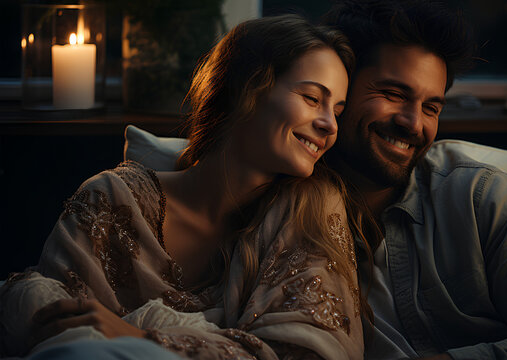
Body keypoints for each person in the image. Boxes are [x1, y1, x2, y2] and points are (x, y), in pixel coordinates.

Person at [0, 14, 364, 359]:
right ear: (246, 89)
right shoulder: (114, 199)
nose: (329, 125)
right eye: (313, 98)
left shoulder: (310, 212)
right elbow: (61, 330)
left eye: (338, 111)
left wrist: (142, 337)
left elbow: (304, 350)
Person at [322, 1, 507, 359]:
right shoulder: (285, 207)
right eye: (393, 94)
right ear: (339, 90)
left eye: (431, 107)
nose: (414, 124)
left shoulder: (483, 199)